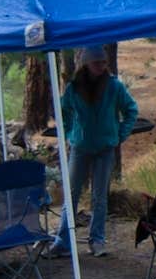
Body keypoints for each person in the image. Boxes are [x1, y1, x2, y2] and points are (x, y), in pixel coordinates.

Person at [58, 45, 139, 257]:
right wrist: (69, 133)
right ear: (86, 63)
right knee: (71, 193)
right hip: (80, 147)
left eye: (104, 62)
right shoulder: (74, 88)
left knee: (99, 196)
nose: (101, 66)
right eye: (97, 63)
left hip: (105, 148)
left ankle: (97, 240)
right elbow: (63, 111)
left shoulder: (114, 87)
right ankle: (63, 241)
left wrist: (120, 135)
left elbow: (131, 110)